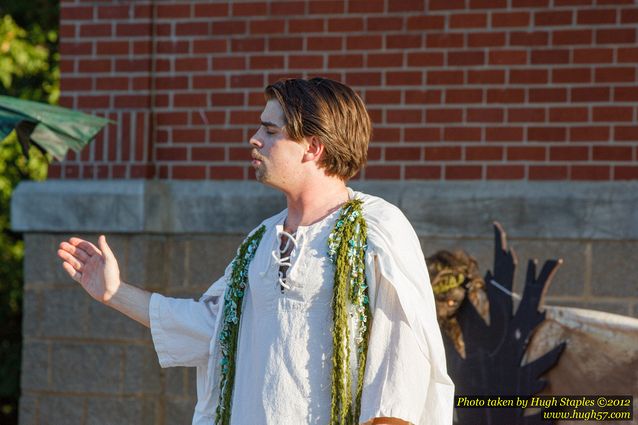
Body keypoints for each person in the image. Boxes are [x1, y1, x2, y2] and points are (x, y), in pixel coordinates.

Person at [57, 77, 454, 425]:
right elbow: (212, 330)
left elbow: (401, 365)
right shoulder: (259, 241)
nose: (254, 138)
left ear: (312, 147)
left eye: (270, 130)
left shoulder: (377, 228)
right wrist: (115, 292)